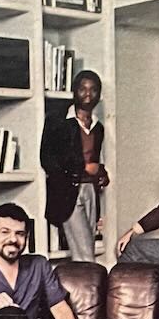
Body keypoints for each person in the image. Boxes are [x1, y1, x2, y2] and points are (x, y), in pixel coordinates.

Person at [41, 69, 108, 263]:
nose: (88, 94)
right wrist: (82, 168)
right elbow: (47, 159)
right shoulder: (58, 122)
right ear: (74, 92)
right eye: (82, 89)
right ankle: (91, 282)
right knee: (84, 255)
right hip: (67, 192)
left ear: (99, 94)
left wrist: (100, 172)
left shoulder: (98, 127)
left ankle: (87, 281)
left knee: (88, 248)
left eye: (93, 90)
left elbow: (93, 159)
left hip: (90, 190)